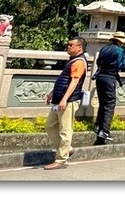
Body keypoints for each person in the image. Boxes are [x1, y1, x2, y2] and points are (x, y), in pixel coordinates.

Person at [43, 36, 89, 170]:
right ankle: (66, 149)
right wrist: (52, 94)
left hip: (68, 101)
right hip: (60, 100)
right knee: (50, 126)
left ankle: (61, 160)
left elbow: (74, 82)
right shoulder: (72, 61)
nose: (68, 47)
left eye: (71, 45)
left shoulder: (79, 62)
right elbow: (63, 80)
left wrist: (64, 99)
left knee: (65, 130)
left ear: (79, 47)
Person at [92, 31, 125, 145]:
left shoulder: (104, 48)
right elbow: (120, 65)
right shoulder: (119, 50)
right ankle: (104, 130)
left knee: (103, 103)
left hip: (100, 77)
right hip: (109, 78)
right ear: (120, 41)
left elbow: (98, 61)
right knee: (110, 104)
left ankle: (98, 126)